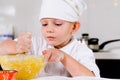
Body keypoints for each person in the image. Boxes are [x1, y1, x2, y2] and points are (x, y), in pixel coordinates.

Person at [0, 0, 100, 77]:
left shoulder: (81, 51)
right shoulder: (36, 43)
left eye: (57, 24)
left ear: (74, 27)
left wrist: (63, 57)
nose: (49, 29)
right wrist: (17, 46)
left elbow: (90, 78)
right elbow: (2, 49)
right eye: (44, 24)